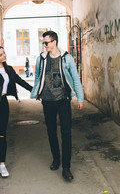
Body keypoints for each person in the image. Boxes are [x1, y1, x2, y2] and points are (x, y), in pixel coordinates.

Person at [30, 31, 84, 181]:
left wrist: (80, 97)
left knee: (66, 133)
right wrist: (36, 92)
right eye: (43, 43)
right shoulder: (41, 59)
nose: (44, 45)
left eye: (46, 42)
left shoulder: (67, 58)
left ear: (54, 42)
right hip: (47, 100)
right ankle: (56, 159)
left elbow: (75, 78)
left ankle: (66, 167)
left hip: (63, 100)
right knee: (51, 131)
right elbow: (37, 77)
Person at [0, 46, 33, 178]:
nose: (4, 55)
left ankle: (2, 164)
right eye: (1, 54)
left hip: (3, 103)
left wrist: (34, 90)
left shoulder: (8, 69)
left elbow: (19, 81)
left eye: (4, 53)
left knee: (2, 134)